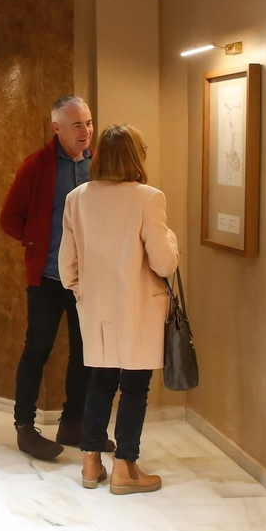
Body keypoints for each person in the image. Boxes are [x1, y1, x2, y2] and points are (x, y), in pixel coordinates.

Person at [59, 124, 180, 495]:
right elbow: (164, 263)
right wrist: (172, 241)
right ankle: (126, 466)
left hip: (95, 308)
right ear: (135, 156)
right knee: (134, 386)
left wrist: (85, 292)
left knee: (100, 380)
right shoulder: (148, 198)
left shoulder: (77, 197)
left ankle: (91, 461)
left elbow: (67, 267)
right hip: (139, 307)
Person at [0, 95, 113, 461]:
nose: (86, 131)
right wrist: (35, 243)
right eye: (78, 124)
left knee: (85, 352)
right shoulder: (37, 166)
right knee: (38, 351)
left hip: (87, 281)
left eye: (90, 123)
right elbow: (9, 218)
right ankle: (25, 427)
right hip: (47, 277)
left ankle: (73, 423)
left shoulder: (101, 165)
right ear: (57, 128)